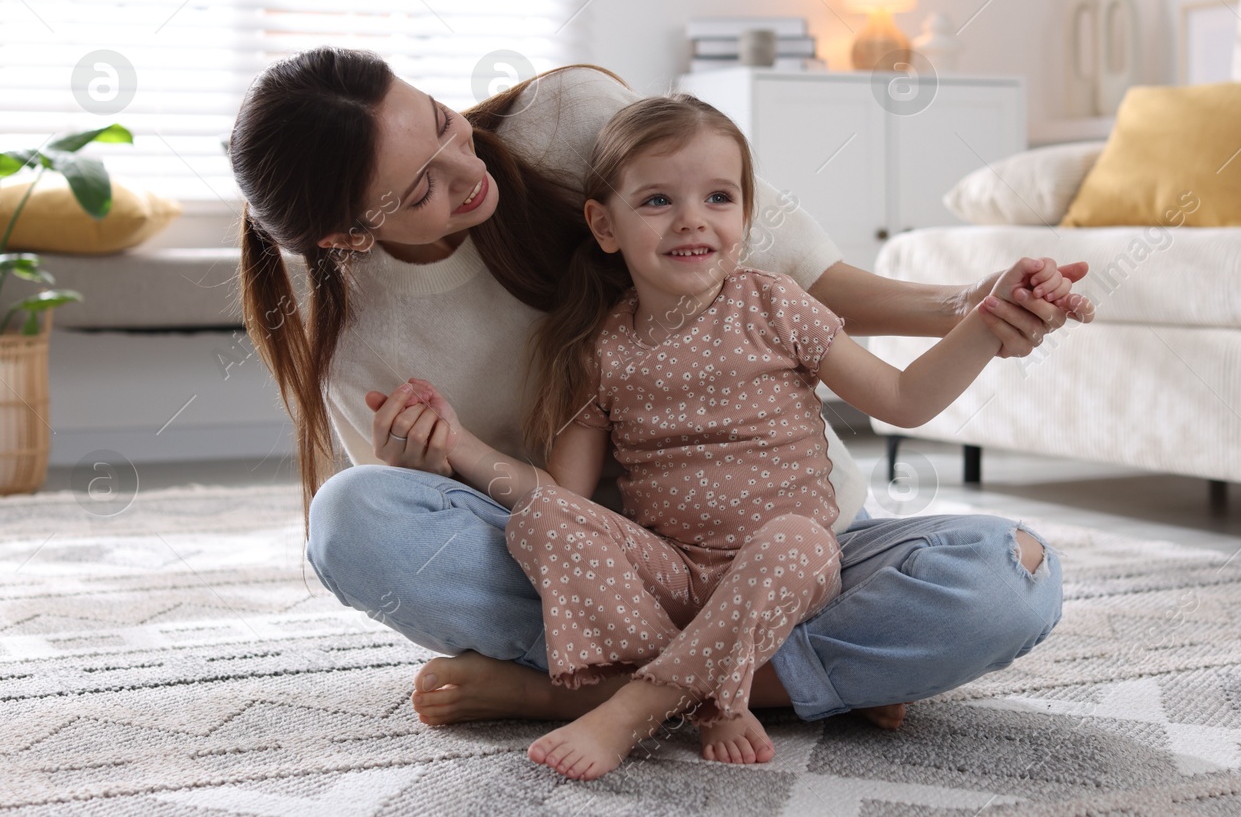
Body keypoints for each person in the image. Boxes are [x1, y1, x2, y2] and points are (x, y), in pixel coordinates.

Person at [226, 47, 1090, 734]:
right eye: (422, 188)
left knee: (1013, 576)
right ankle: (787, 677)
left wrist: (974, 308)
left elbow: (815, 284)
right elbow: (539, 510)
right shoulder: (354, 335)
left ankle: (585, 696)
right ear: (347, 235)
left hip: (803, 545)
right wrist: (431, 464)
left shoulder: (571, 122)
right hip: (609, 572)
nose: (467, 165)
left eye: (445, 123)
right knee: (351, 518)